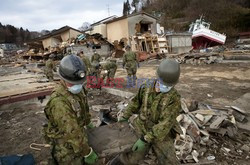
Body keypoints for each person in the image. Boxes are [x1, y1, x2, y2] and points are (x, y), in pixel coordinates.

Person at [112, 59, 182, 165]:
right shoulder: (146, 87)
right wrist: (125, 116)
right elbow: (135, 103)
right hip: (141, 125)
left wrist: (145, 139)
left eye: (169, 86)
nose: (166, 87)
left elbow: (165, 124)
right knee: (130, 158)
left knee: (170, 160)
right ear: (158, 77)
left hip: (161, 132)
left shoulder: (174, 98)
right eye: (164, 83)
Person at [43, 54, 98, 165]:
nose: (77, 85)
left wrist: (88, 122)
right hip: (66, 146)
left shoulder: (78, 89)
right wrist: (87, 152)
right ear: (63, 79)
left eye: (79, 82)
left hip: (78, 137)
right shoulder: (59, 102)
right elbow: (71, 132)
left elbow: (83, 108)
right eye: (72, 83)